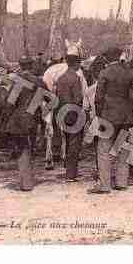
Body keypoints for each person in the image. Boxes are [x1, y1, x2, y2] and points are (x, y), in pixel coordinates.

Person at [88, 47, 133, 194]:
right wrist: (131, 108)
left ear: (107, 59)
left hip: (107, 118)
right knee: (124, 149)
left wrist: (99, 116)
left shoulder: (104, 73)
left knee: (103, 151)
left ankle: (104, 185)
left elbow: (98, 98)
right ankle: (122, 182)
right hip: (126, 118)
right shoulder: (129, 72)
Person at [0, 55, 45, 191]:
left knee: (22, 149)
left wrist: (4, 119)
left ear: (20, 65)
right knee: (30, 148)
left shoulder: (18, 81)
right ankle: (28, 179)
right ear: (31, 65)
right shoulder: (39, 82)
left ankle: (26, 182)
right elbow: (47, 99)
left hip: (19, 120)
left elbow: (10, 103)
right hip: (33, 119)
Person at [55, 52, 84, 182]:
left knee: (67, 141)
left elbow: (57, 97)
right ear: (76, 64)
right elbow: (78, 98)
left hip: (62, 112)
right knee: (75, 144)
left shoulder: (60, 78)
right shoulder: (76, 78)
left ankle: (68, 169)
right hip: (74, 112)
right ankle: (71, 174)